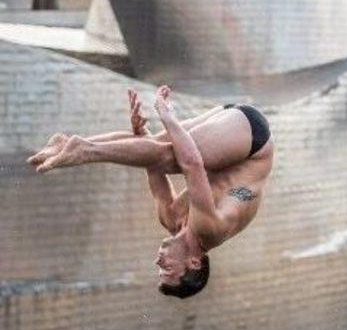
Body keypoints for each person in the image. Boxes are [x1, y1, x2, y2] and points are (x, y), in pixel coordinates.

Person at [28, 86, 274, 299]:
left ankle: (68, 144)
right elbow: (193, 165)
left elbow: (152, 168)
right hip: (253, 143)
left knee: (159, 149)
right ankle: (83, 150)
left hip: (228, 130)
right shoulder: (211, 229)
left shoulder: (171, 218)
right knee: (170, 156)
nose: (158, 263)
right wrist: (168, 116)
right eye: (167, 270)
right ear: (194, 262)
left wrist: (139, 134)